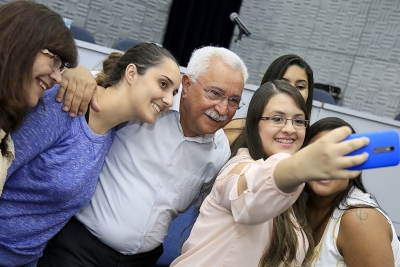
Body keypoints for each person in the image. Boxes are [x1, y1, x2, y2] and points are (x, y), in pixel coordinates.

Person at [38, 46, 249, 267]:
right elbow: (96, 85)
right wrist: (77, 72)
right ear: (187, 85)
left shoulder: (219, 151)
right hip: (80, 249)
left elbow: (203, 212)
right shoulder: (148, 105)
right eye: (214, 93)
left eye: (234, 100)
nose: (223, 108)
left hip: (143, 261)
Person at [0, 42, 181, 267]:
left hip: (27, 259)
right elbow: (4, 167)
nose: (169, 100)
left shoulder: (115, 133)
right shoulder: (63, 104)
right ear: (132, 73)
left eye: (174, 92)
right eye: (163, 84)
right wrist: (76, 70)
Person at [170, 80, 369, 267]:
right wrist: (300, 167)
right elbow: (253, 194)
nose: (290, 129)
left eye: (299, 121)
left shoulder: (297, 197)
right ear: (255, 125)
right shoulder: (238, 168)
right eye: (277, 118)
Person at [0, 0, 79, 197]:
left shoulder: (8, 127)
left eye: (61, 67)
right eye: (54, 60)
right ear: (19, 44)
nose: (58, 78)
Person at [303, 117, 400, 267]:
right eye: (319, 155)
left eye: (340, 157)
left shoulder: (360, 220)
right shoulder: (297, 203)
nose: (327, 166)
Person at [224, 54, 313, 144]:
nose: (292, 91)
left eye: (300, 86)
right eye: (283, 84)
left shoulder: (311, 142)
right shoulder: (233, 133)